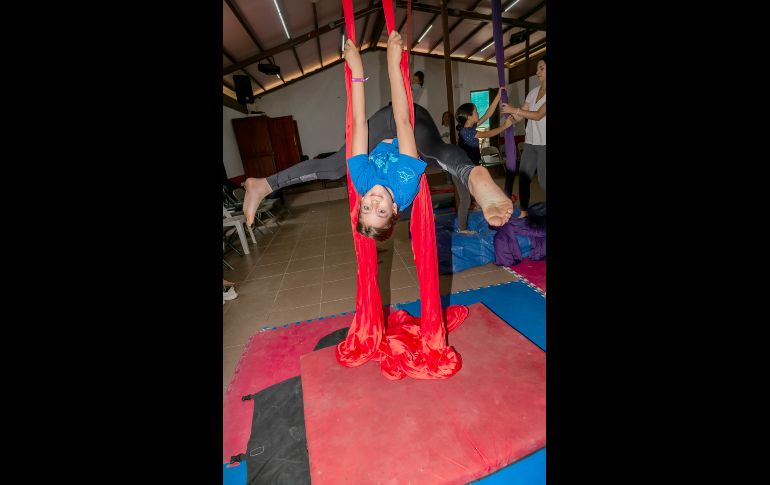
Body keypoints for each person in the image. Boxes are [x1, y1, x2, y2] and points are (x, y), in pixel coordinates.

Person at [241, 81, 513, 232]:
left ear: (360, 202)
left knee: (336, 168)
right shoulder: (404, 188)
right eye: (380, 209)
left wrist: (357, 77)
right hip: (411, 121)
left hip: (382, 126)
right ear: (395, 208)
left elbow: (359, 124)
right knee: (433, 152)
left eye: (367, 208)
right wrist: (396, 72)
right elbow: (404, 123)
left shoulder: (363, 184)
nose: (373, 202)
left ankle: (264, 184)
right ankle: (473, 175)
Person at [501, 56, 546, 218]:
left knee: (543, 181)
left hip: (544, 144)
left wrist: (514, 110)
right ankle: (524, 211)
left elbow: (538, 115)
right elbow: (521, 114)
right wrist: (510, 120)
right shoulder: (533, 92)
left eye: (541, 68)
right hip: (530, 143)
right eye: (537, 69)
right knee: (524, 177)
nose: (537, 72)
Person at [455, 89, 514, 165]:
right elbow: (489, 133)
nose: (478, 113)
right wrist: (504, 126)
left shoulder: (469, 126)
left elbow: (487, 115)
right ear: (468, 117)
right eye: (475, 111)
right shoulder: (467, 132)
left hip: (472, 160)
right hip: (467, 163)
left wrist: (498, 96)